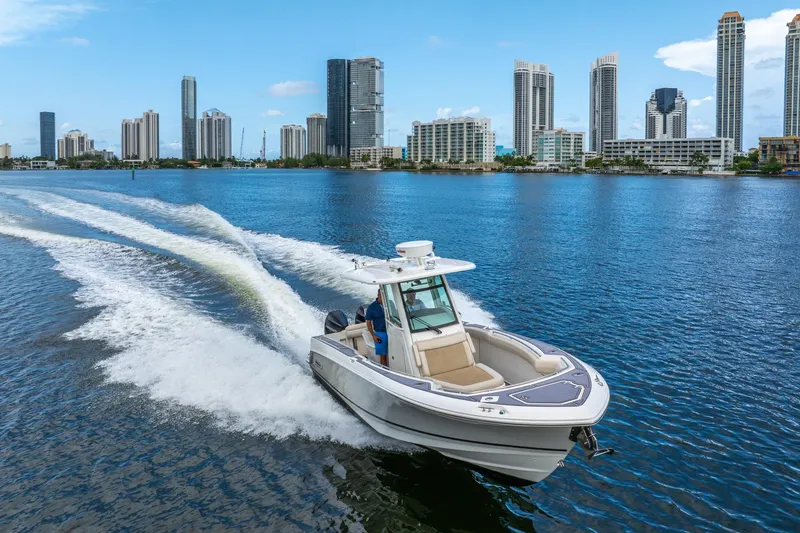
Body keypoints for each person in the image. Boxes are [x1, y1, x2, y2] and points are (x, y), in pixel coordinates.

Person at [366, 290, 388, 366]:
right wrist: (374, 335)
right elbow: (368, 323)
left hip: (391, 331)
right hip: (380, 333)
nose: (385, 298)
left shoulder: (389, 303)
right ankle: (384, 371)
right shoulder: (371, 307)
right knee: (383, 355)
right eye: (383, 296)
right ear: (378, 295)